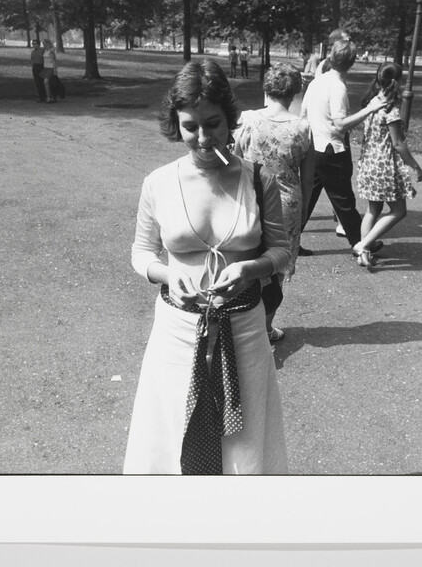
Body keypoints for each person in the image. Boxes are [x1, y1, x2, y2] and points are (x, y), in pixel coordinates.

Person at [124, 59, 290, 475]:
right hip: (177, 330)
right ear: (175, 124)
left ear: (229, 119)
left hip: (244, 329)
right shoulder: (158, 183)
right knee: (171, 435)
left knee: (244, 442)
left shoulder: (258, 179)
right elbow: (142, 252)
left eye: (212, 123)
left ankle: (237, 509)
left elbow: (281, 251)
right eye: (189, 126)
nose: (202, 137)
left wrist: (251, 269)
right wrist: (167, 274)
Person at [233, 62, 315, 343]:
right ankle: (266, 327)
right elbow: (308, 179)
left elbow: (234, 161)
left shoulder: (248, 120)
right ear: (295, 92)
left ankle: (242, 321)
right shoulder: (302, 127)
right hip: (286, 203)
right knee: (276, 265)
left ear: (266, 88)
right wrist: (303, 212)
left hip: (252, 198)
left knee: (246, 258)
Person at [299, 39, 389, 254]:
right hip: (331, 149)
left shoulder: (317, 82)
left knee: (308, 198)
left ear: (331, 57)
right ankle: (360, 244)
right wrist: (370, 109)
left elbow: (303, 114)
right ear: (352, 62)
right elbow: (340, 125)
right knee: (343, 200)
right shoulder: (337, 87)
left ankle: (288, 241)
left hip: (314, 147)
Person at [353, 62, 422, 268]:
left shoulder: (372, 101)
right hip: (383, 165)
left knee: (372, 210)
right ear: (398, 81)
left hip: (368, 162)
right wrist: (416, 167)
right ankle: (363, 245)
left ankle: (364, 254)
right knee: (399, 211)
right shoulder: (390, 109)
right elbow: (398, 143)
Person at [41, 39, 58, 104]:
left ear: (48, 44)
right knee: (48, 83)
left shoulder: (51, 51)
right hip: (45, 68)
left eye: (44, 43)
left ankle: (49, 97)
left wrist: (55, 70)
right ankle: (50, 96)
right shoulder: (45, 51)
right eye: (43, 43)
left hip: (51, 68)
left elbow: (54, 61)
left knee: (46, 82)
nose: (43, 45)